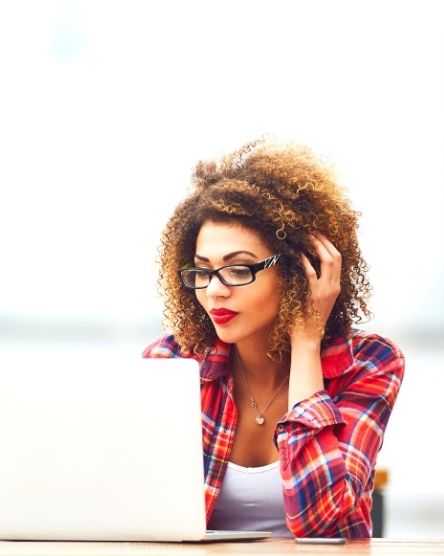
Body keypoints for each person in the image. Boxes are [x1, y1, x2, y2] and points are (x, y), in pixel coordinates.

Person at [143, 139, 404, 538]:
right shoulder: (171, 363)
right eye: (202, 271)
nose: (214, 291)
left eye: (238, 269)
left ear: (300, 269)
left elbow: (322, 526)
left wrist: (305, 345)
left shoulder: (369, 364)